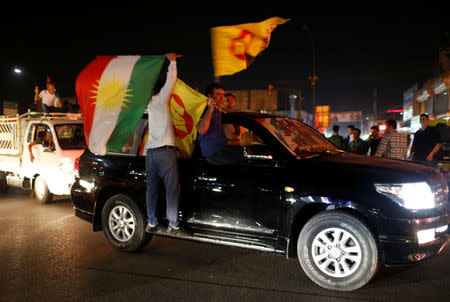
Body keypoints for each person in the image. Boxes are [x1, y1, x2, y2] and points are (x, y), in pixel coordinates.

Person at [144, 53, 189, 236]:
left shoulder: (146, 106)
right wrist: (172, 61)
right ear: (159, 90)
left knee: (152, 190)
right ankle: (173, 225)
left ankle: (152, 223)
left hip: (151, 154)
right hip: (165, 153)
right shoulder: (161, 100)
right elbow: (172, 79)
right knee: (171, 190)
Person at [197, 82, 243, 165]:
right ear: (209, 96)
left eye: (223, 95)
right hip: (212, 153)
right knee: (243, 159)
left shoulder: (218, 110)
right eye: (218, 94)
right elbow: (201, 130)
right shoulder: (205, 109)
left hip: (222, 149)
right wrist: (210, 109)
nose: (222, 98)